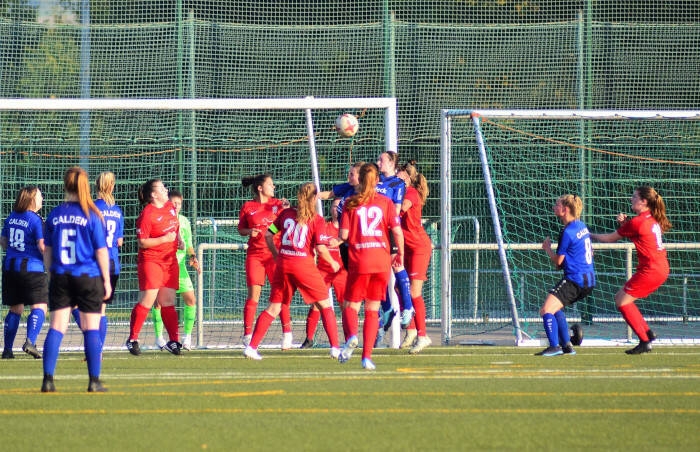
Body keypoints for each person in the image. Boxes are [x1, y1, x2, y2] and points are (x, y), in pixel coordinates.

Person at [243, 182, 341, 360]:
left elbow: (267, 234)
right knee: (325, 305)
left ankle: (251, 347)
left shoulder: (285, 213)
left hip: (283, 264)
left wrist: (276, 254)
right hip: (303, 265)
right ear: (313, 198)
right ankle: (335, 347)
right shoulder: (316, 219)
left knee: (274, 307)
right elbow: (320, 248)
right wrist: (332, 263)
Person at [41, 167, 111, 392]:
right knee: (91, 327)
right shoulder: (92, 214)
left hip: (61, 275)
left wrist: (52, 274)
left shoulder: (55, 214)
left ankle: (48, 380)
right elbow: (101, 251)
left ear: (65, 185)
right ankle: (93, 381)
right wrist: (106, 281)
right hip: (87, 276)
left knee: (56, 328)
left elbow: (48, 251)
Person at [338, 163, 404, 370]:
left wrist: (335, 240)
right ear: (377, 181)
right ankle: (367, 358)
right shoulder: (385, 202)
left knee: (351, 305)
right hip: (381, 261)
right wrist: (400, 253)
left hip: (360, 260)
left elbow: (344, 236)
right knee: (372, 309)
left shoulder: (350, 202)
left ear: (360, 180)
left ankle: (351, 337)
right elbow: (397, 231)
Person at [590, 186, 671, 354]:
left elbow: (609, 239)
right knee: (620, 298)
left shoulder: (638, 221)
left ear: (644, 201)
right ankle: (648, 332)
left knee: (622, 302)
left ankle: (644, 340)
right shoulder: (650, 219)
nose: (631, 199)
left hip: (651, 269)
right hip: (659, 267)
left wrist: (587, 234)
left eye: (634, 197)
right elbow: (637, 234)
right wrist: (624, 225)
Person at [126, 179, 183, 356]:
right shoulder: (147, 214)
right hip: (151, 260)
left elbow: (175, 225)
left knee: (168, 302)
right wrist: (164, 240)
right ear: (153, 194)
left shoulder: (170, 207)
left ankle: (174, 340)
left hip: (169, 261)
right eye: (162, 188)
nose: (166, 189)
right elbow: (142, 242)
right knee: (148, 300)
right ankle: (133, 339)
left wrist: (178, 239)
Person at [238, 173, 292, 349]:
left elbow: (288, 221)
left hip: (274, 255)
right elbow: (241, 229)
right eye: (271, 184)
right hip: (255, 255)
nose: (274, 187)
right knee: (253, 296)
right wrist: (249, 231)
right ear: (260, 188)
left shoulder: (278, 204)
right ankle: (247, 336)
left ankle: (287, 334)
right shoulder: (248, 206)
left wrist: (287, 208)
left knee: (279, 295)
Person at [537, 194, 595, 357]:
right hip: (589, 280)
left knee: (546, 309)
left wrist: (547, 249)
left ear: (565, 209)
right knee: (556, 308)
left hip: (575, 279)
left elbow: (558, 263)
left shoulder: (567, 232)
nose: (554, 207)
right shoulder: (581, 225)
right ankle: (567, 346)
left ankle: (554, 346)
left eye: (557, 205)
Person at [1, 186, 47, 360]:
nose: (42, 198)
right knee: (40, 306)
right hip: (31, 268)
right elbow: (42, 246)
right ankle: (30, 341)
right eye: (40, 196)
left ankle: (7, 350)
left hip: (10, 268)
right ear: (31, 199)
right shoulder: (36, 220)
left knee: (15, 308)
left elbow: (4, 242)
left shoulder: (11, 217)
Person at [152, 189, 200, 351]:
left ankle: (187, 337)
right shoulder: (161, 219)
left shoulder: (185, 221)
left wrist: (193, 257)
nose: (177, 206)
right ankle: (159, 338)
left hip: (179, 268)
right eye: (174, 203)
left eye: (179, 203)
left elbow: (189, 244)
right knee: (159, 303)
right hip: (164, 266)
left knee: (191, 300)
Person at [375, 151, 413, 346]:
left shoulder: (397, 184)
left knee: (397, 266)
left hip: (388, 230)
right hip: (374, 232)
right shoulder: (374, 180)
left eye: (381, 159)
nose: (378, 162)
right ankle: (388, 308)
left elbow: (396, 211)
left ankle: (408, 307)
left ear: (391, 163)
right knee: (377, 273)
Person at [396, 161, 433, 354]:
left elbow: (400, 209)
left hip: (419, 247)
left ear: (408, 178)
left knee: (414, 292)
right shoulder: (400, 191)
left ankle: (422, 335)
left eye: (400, 175)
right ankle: (410, 330)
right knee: (398, 286)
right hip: (407, 248)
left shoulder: (410, 193)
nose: (396, 177)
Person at [299, 201, 348, 348]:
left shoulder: (348, 230)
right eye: (334, 206)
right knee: (316, 304)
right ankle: (309, 338)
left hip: (342, 272)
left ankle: (349, 338)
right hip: (323, 270)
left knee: (345, 306)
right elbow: (315, 245)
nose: (336, 209)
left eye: (339, 206)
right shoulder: (324, 226)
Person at [93, 171, 124, 351]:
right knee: (102, 309)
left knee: (87, 308)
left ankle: (93, 346)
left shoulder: (91, 208)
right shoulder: (117, 211)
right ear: (111, 187)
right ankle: (99, 349)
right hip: (112, 263)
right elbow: (119, 242)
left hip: (94, 263)